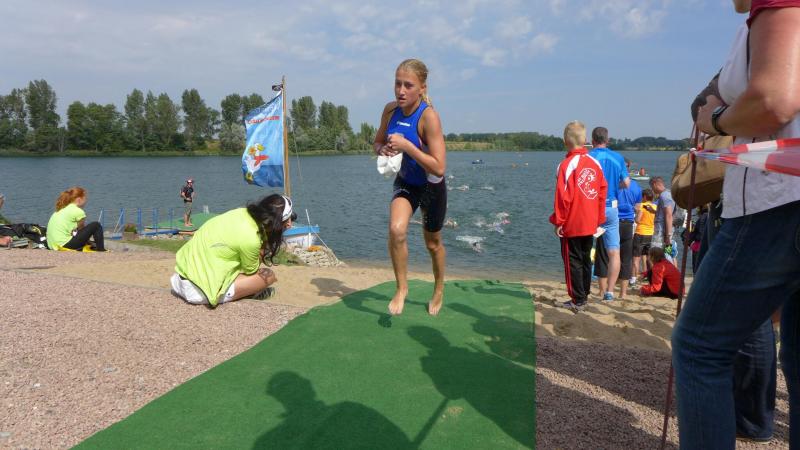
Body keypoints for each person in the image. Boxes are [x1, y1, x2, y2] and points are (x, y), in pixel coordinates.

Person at [672, 0, 800, 447]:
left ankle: (749, 420)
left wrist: (716, 118)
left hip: (780, 201)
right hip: (782, 199)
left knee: (699, 347)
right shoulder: (751, 27)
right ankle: (755, 419)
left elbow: (773, 101)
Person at [373, 59, 447, 316]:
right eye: (397, 84)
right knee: (396, 230)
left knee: (433, 244)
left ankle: (438, 289)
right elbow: (376, 142)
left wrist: (408, 147)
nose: (401, 91)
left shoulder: (429, 117)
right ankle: (401, 288)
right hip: (406, 182)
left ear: (422, 88)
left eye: (408, 85)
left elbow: (439, 167)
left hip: (431, 187)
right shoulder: (390, 111)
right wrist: (382, 149)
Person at [170, 194, 296, 308]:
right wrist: (263, 245)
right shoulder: (251, 239)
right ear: (274, 224)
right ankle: (246, 295)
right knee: (268, 275)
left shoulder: (241, 212)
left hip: (179, 278)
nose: (289, 224)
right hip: (197, 291)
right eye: (286, 221)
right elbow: (251, 271)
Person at [551, 121, 607, 313]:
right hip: (590, 221)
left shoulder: (566, 165)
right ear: (584, 140)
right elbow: (602, 193)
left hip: (573, 222)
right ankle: (583, 294)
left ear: (565, 141)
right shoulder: (595, 163)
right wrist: (599, 218)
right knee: (585, 258)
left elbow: (562, 197)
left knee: (572, 260)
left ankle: (577, 298)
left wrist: (559, 221)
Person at [589, 127, 629, 302]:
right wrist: (613, 186)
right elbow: (626, 183)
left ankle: (583, 288)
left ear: (592, 140)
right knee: (614, 252)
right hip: (611, 207)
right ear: (607, 140)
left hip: (592, 207)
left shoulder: (588, 157)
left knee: (584, 247)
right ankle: (610, 292)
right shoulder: (618, 157)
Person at [45, 186, 105, 251]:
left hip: (52, 245)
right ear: (79, 199)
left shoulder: (61, 209)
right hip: (64, 244)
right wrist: (89, 242)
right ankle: (101, 250)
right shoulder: (78, 211)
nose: (86, 201)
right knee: (96, 225)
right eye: (85, 198)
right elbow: (81, 230)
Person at [616, 158, 642, 298]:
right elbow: (638, 209)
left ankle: (608, 288)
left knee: (611, 255)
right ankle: (623, 292)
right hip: (629, 223)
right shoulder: (636, 186)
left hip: (614, 221)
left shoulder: (613, 184)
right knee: (627, 257)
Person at [632, 188, 656, 282]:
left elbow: (637, 220)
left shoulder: (642, 206)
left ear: (645, 197)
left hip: (640, 233)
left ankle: (633, 279)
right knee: (649, 257)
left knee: (636, 258)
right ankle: (651, 277)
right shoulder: (655, 207)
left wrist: (636, 215)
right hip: (651, 234)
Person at [647, 176, 674, 256]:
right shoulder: (669, 193)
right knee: (667, 254)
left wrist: (668, 235)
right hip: (666, 231)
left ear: (655, 184)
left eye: (652, 187)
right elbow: (665, 213)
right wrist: (654, 211)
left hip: (661, 232)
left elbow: (669, 215)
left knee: (655, 254)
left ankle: (662, 265)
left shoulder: (664, 196)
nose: (652, 190)